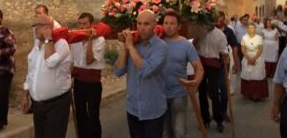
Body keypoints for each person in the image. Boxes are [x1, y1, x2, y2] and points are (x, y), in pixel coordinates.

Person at [115, 10, 168, 138]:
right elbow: (118, 71)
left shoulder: (161, 47)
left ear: (155, 25)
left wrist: (131, 47)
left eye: (146, 24)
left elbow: (146, 70)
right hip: (133, 108)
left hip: (153, 110)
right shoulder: (133, 45)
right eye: (139, 24)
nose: (142, 28)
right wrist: (125, 47)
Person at [21, 14, 72, 138]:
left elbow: (51, 62)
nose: (36, 28)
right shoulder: (37, 46)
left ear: (50, 27)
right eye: (35, 25)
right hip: (38, 105)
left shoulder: (61, 44)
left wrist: (49, 39)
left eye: (40, 25)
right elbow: (31, 72)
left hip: (56, 104)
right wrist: (26, 96)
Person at [162, 10, 204, 138]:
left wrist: (195, 82)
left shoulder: (186, 45)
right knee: (164, 132)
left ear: (179, 26)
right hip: (159, 94)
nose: (168, 26)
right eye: (166, 23)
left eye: (172, 23)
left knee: (179, 132)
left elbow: (199, 67)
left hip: (178, 94)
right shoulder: (157, 42)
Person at [71, 12, 106, 138]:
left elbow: (89, 60)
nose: (82, 27)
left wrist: (90, 40)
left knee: (93, 116)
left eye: (85, 24)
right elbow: (73, 61)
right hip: (79, 83)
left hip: (93, 84)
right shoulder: (76, 41)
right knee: (80, 115)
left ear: (92, 24)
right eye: (80, 24)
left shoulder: (100, 41)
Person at [195, 23, 229, 133]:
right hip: (201, 64)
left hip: (213, 65)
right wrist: (196, 39)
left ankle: (218, 119)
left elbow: (224, 49)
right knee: (202, 93)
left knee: (214, 93)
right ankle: (205, 119)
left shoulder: (220, 35)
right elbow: (194, 46)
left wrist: (225, 55)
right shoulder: (199, 32)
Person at [215, 11, 240, 122]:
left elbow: (234, 46)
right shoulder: (211, 30)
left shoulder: (229, 31)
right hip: (211, 62)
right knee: (213, 91)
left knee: (224, 89)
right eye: (217, 17)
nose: (219, 19)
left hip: (223, 63)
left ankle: (223, 111)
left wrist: (236, 62)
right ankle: (216, 112)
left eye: (220, 17)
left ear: (224, 18)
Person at [240, 23, 268, 101]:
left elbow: (260, 49)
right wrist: (248, 58)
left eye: (252, 28)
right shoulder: (244, 37)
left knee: (257, 75)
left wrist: (254, 58)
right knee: (248, 75)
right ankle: (248, 93)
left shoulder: (259, 38)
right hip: (247, 56)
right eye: (249, 28)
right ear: (247, 29)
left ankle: (257, 94)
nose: (250, 29)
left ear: (255, 29)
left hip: (257, 57)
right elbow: (243, 49)